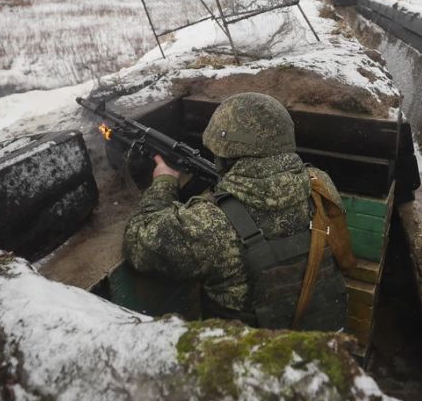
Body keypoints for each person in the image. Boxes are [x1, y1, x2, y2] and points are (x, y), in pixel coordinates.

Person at [123, 92, 350, 331]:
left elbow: (138, 244)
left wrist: (163, 183)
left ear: (225, 151)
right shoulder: (319, 183)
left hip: (251, 358)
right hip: (329, 343)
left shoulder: (210, 223)